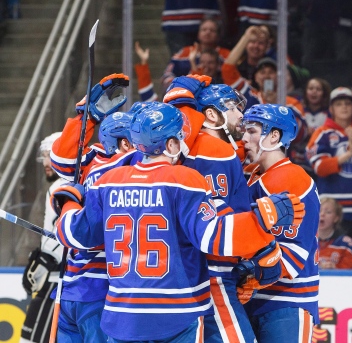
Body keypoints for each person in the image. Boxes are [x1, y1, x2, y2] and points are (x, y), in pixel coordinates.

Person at [52, 102, 303, 342]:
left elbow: (75, 234)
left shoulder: (108, 181)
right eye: (180, 138)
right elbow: (214, 237)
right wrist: (263, 218)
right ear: (170, 144)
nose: (184, 144)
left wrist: (69, 201)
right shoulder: (184, 179)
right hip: (177, 312)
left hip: (122, 313)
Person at [50, 73, 133, 343]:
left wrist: (86, 117)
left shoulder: (92, 161)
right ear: (123, 143)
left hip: (71, 286)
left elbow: (60, 159)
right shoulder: (128, 168)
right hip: (101, 288)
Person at [181, 83, 259, 342]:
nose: (240, 115)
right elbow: (221, 218)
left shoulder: (188, 148)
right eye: (233, 108)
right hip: (213, 271)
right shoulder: (216, 150)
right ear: (212, 115)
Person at [240, 103, 320, 343]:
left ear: (274, 136)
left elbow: (291, 254)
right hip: (257, 299)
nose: (244, 138)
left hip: (285, 302)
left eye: (252, 131)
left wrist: (247, 276)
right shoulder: (256, 175)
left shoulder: (289, 177)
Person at [306, 87, 352, 248]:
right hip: (331, 211)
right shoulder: (322, 133)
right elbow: (319, 168)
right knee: (333, 256)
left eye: (348, 103)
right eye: (339, 104)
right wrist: (346, 156)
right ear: (331, 109)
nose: (344, 107)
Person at [19, 132, 65, 343]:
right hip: (72, 282)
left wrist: (44, 261)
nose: (46, 162)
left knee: (32, 339)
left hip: (58, 279)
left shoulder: (59, 188)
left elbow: (60, 241)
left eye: (51, 155)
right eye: (44, 156)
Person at [162, 18, 230, 90]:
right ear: (198, 33)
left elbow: (231, 77)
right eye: (204, 29)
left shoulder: (226, 54)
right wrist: (178, 87)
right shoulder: (184, 52)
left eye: (212, 30)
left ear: (218, 35)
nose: (208, 33)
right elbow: (167, 74)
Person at [317, 197, 352, 269]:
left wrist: (335, 269)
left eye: (328, 212)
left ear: (336, 218)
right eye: (319, 211)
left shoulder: (346, 244)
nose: (322, 214)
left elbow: (351, 272)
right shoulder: (304, 242)